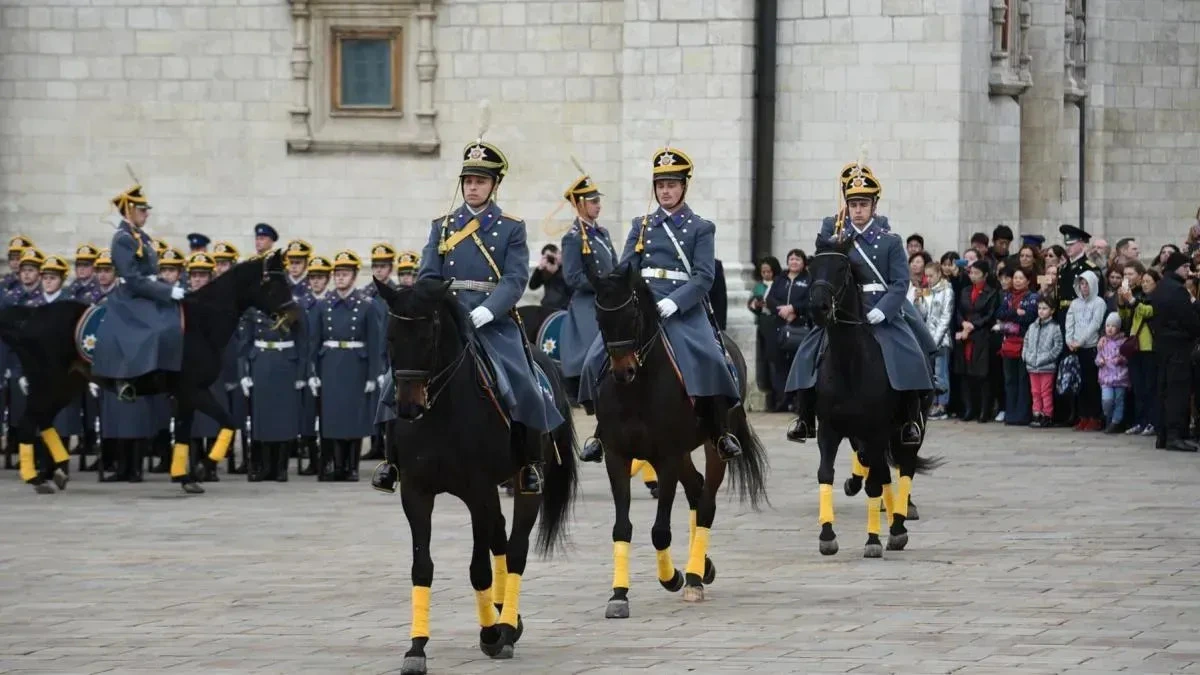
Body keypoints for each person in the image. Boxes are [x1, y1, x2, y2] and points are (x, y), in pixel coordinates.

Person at [401, 136, 564, 494]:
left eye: (480, 181)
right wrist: (438, 309)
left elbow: (516, 278)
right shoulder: (442, 225)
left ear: (494, 185)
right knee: (398, 374)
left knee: (522, 380)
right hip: (448, 317)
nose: (472, 187)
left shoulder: (510, 227)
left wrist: (488, 312)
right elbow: (429, 275)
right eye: (468, 181)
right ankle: (393, 456)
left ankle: (528, 460)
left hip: (493, 320)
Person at [578, 146, 743, 461]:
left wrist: (674, 303)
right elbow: (626, 268)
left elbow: (704, 277)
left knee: (710, 357)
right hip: (642, 306)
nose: (665, 191)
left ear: (683, 187)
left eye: (672, 185)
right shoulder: (641, 224)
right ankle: (602, 430)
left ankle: (719, 430)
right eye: (661, 185)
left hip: (682, 306)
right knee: (595, 358)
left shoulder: (700, 227)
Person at [785, 161, 935, 445]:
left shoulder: (888, 238)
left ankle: (911, 417)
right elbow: (825, 267)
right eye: (853, 203)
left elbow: (900, 283)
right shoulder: (834, 229)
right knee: (809, 350)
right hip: (843, 306)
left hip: (880, 303)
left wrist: (884, 310)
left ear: (873, 205)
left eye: (863, 203)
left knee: (908, 351)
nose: (857, 209)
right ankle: (804, 415)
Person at [90, 184, 185, 402]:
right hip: (131, 296)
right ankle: (127, 377)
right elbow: (132, 278)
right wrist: (167, 291)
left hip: (148, 291)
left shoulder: (140, 236)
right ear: (130, 210)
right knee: (154, 329)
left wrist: (167, 286)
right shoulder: (122, 238)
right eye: (143, 210)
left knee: (175, 321)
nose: (147, 214)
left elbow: (150, 272)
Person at [308, 250, 383, 481]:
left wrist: (374, 375)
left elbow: (375, 342)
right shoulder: (323, 305)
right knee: (332, 419)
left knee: (353, 419)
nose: (340, 278)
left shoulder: (366, 305)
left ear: (354, 276)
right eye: (338, 274)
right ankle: (336, 466)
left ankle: (351, 467)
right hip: (330, 364)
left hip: (355, 366)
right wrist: (312, 371)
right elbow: (314, 341)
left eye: (345, 274)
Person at [558, 172, 616, 463]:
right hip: (588, 307)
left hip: (611, 300)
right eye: (592, 202)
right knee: (599, 356)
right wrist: (601, 283)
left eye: (597, 201)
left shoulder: (602, 234)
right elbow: (572, 276)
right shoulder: (572, 238)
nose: (597, 206)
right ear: (579, 204)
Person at [1148, 252, 1200, 452]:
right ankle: (1174, 435)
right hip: (1178, 347)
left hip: (1162, 344)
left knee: (1164, 390)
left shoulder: (1161, 286)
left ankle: (1163, 435)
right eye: (1185, 267)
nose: (1188, 270)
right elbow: (1188, 320)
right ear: (1176, 267)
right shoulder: (1177, 290)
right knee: (1177, 391)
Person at [953, 260, 998, 422]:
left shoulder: (991, 293)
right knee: (965, 375)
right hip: (964, 335)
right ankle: (969, 408)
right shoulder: (965, 291)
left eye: (977, 273)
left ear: (985, 275)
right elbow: (958, 310)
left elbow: (990, 315)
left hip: (981, 336)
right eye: (971, 273)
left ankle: (984, 410)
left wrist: (973, 325)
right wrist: (963, 323)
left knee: (982, 376)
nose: (973, 276)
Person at [767, 249, 810, 415]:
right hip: (779, 325)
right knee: (779, 365)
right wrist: (782, 310)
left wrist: (794, 309)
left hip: (799, 327)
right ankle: (782, 399)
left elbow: (810, 301)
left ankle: (800, 401)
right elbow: (770, 299)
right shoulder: (780, 279)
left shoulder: (808, 280)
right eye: (791, 259)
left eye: (797, 259)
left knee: (798, 364)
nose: (794, 262)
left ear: (803, 263)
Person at [1065, 270, 1106, 430]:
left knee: (1091, 385)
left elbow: (1095, 325)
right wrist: (1069, 340)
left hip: (1090, 347)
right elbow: (1070, 322)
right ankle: (1083, 416)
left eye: (1087, 284)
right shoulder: (1075, 303)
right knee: (1079, 384)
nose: (1084, 287)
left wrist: (1080, 341)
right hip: (1075, 347)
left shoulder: (1099, 303)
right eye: (1081, 284)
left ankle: (1094, 417)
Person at [1023, 297, 1064, 428]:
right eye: (1039, 308)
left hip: (1046, 366)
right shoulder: (1032, 326)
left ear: (1052, 311)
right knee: (1035, 391)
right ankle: (1036, 413)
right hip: (1032, 365)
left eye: (1045, 308)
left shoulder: (1055, 327)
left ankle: (1047, 414)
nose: (1041, 311)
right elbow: (1026, 342)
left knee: (1045, 391)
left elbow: (1058, 346)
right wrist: (1026, 356)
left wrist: (1048, 357)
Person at [748, 256, 783, 409]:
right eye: (763, 272)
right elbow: (751, 304)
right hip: (763, 322)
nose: (766, 274)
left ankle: (779, 396)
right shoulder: (758, 287)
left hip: (776, 322)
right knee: (764, 360)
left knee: (775, 360)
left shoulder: (779, 284)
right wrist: (755, 304)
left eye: (768, 271)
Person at [923, 261, 954, 419]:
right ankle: (932, 403)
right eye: (926, 276)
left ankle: (943, 404)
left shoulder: (947, 290)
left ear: (939, 274)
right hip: (927, 338)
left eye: (931, 275)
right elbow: (923, 314)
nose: (928, 279)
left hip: (941, 339)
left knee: (941, 373)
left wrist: (935, 340)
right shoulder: (927, 291)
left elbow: (946, 317)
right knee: (930, 374)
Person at [1055, 225, 1101, 323]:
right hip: (1063, 314)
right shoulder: (1063, 267)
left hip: (1082, 316)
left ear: (1081, 244)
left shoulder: (1090, 268)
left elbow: (1096, 295)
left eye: (1071, 244)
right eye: (1066, 245)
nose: (1067, 248)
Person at [1095, 312, 1130, 434]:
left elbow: (1127, 358)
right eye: (1107, 325)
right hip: (1106, 378)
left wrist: (1121, 359)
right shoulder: (1102, 342)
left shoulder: (1123, 342)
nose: (1109, 328)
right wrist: (1100, 361)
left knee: (1119, 400)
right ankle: (1108, 418)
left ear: (1118, 327)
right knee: (1107, 400)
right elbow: (1098, 358)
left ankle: (1116, 422)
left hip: (1120, 377)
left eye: (1113, 326)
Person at [529, 243, 570, 311]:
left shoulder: (568, 266)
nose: (552, 260)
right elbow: (532, 286)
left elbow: (571, 287)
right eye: (548, 258)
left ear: (558, 253)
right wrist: (539, 269)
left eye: (552, 257)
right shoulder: (547, 270)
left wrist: (555, 272)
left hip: (564, 309)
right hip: (547, 307)